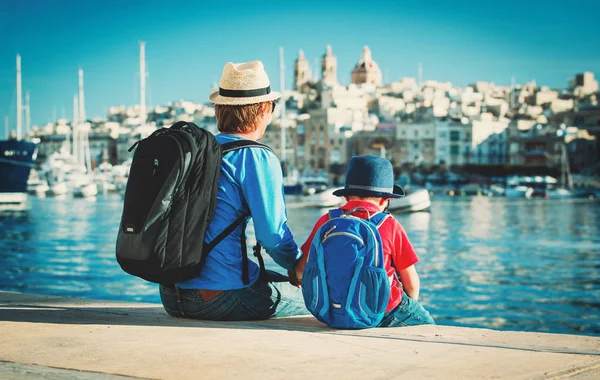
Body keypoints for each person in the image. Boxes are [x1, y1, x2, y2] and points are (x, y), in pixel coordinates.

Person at [159, 60, 306, 321]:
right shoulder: (255, 157)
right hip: (221, 298)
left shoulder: (196, 152)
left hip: (172, 295)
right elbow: (273, 236)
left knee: (269, 278)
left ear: (219, 109)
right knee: (319, 296)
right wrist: (297, 266)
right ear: (263, 108)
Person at [297, 155, 435, 327]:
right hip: (385, 310)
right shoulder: (390, 225)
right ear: (386, 200)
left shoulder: (327, 221)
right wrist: (409, 304)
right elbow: (411, 281)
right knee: (428, 325)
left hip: (330, 310)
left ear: (346, 197)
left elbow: (301, 268)